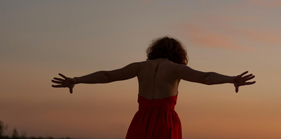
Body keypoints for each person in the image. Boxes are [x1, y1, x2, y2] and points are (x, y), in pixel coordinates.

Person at [52, 37, 255, 139]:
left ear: (153, 51)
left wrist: (76, 80)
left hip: (141, 121)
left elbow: (106, 76)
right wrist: (231, 79)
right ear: (179, 54)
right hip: (165, 122)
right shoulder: (176, 69)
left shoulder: (140, 67)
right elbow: (205, 77)